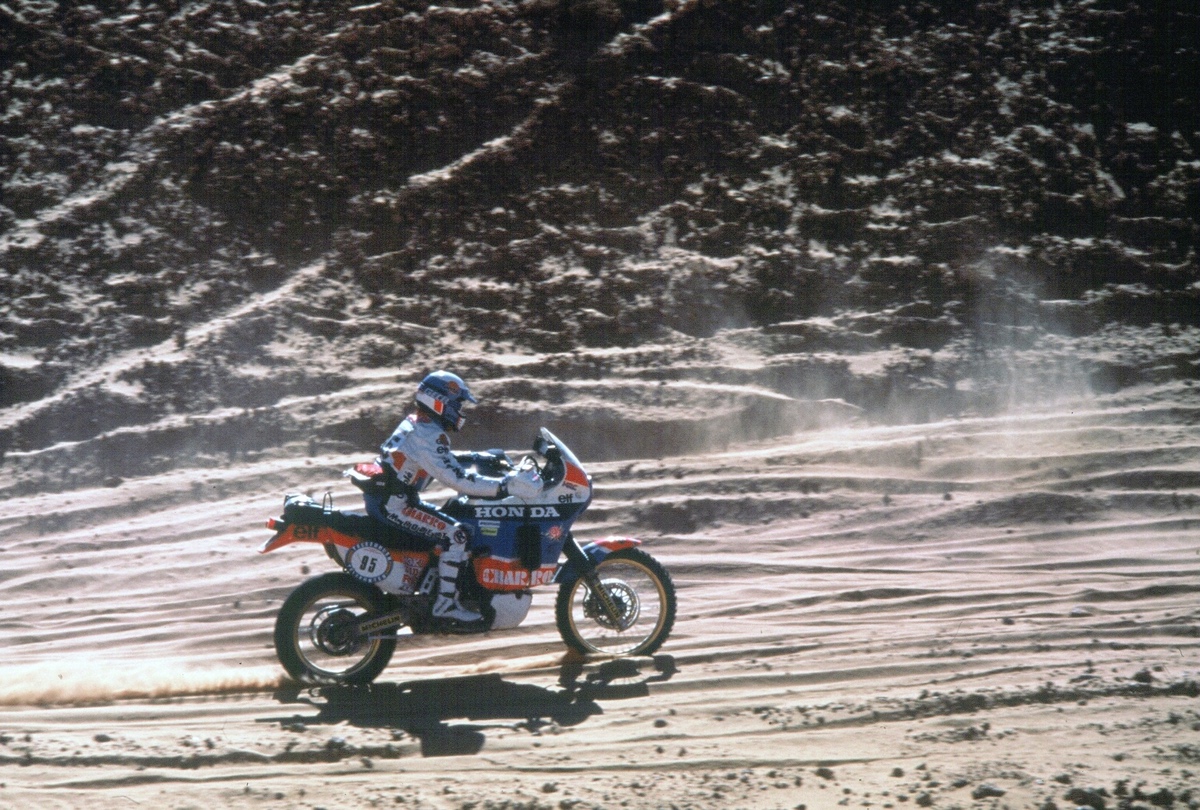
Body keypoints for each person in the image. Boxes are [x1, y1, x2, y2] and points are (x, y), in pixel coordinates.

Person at [363, 370, 540, 626]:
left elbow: (438, 459)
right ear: (439, 402)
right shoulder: (428, 434)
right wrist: (505, 486)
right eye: (457, 404)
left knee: (452, 517)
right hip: (395, 506)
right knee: (457, 535)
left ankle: (436, 587)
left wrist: (479, 458)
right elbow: (458, 480)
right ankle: (444, 605)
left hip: (390, 499)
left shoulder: (418, 422)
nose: (459, 411)